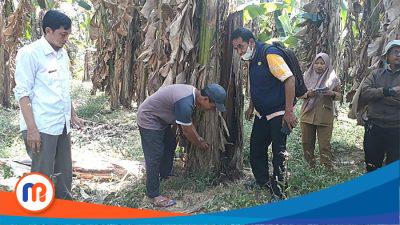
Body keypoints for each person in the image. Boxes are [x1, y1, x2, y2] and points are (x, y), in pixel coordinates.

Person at [13, 10, 84, 199]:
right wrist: (32, 129)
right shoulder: (30, 54)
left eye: (68, 34)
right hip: (41, 125)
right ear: (48, 30)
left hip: (61, 123)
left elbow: (62, 89)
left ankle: (63, 207)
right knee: (41, 173)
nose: (66, 38)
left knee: (64, 171)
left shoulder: (62, 54)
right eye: (63, 34)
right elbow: (23, 94)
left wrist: (72, 114)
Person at [231, 28, 297, 198]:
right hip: (262, 114)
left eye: (241, 46)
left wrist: (289, 112)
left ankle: (280, 188)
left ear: (251, 42)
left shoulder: (269, 54)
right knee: (256, 149)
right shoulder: (253, 57)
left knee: (279, 151)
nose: (239, 52)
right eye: (236, 49)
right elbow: (256, 84)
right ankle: (263, 181)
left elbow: (289, 79)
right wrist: (252, 106)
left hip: (278, 112)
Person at [137, 83, 226, 207]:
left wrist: (197, 138)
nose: (213, 108)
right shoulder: (185, 103)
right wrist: (200, 143)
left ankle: (165, 174)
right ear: (205, 99)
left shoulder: (192, 95)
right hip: (149, 118)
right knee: (154, 155)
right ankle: (153, 194)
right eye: (213, 105)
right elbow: (187, 130)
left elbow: (186, 125)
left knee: (170, 144)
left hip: (161, 119)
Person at [359, 40, 400, 172]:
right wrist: (388, 91)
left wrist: (378, 96)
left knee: (393, 169)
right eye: (396, 52)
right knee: (372, 166)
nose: (399, 55)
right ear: (387, 56)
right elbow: (365, 93)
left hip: (396, 129)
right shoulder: (376, 74)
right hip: (374, 128)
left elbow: (372, 94)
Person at [300, 53, 341, 169]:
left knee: (324, 145)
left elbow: (340, 96)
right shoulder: (306, 76)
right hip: (307, 115)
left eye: (322, 63)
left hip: (325, 116)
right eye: (317, 63)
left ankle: (326, 169)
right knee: (306, 144)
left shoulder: (333, 79)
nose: (319, 66)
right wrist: (308, 94)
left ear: (327, 65)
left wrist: (331, 93)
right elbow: (299, 94)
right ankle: (310, 167)